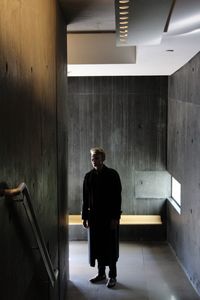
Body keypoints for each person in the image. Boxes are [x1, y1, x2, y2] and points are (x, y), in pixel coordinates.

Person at [82, 147, 122, 288]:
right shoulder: (89, 177)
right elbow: (85, 199)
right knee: (97, 246)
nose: (94, 161)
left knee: (110, 247)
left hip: (109, 218)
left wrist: (115, 218)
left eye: (97, 158)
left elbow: (117, 198)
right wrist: (84, 217)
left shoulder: (112, 175)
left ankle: (112, 276)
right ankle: (101, 274)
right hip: (94, 218)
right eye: (92, 158)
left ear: (103, 159)